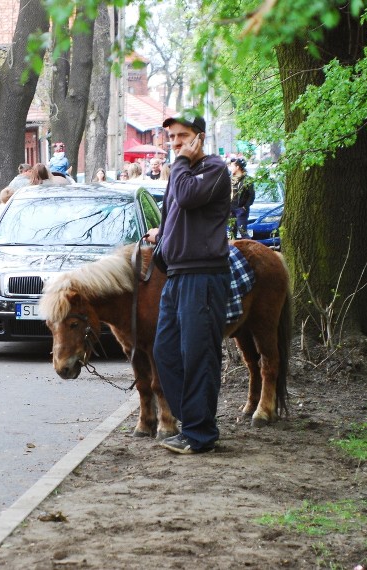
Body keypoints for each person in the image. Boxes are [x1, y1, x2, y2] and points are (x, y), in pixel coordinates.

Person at [145, 112, 231, 455]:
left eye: (182, 136)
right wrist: (162, 235)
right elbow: (175, 212)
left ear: (200, 138)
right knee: (165, 351)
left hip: (204, 275)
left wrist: (178, 163)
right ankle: (190, 422)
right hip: (177, 274)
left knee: (198, 355)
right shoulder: (182, 172)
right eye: (172, 138)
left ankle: (201, 433)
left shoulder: (214, 169)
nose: (175, 143)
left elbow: (188, 197)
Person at [229, 157, 255, 238]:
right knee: (231, 233)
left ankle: (250, 249)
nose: (230, 168)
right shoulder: (229, 179)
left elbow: (251, 195)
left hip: (241, 209)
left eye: (232, 166)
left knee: (242, 231)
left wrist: (245, 207)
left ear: (237, 167)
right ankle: (233, 250)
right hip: (230, 209)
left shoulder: (247, 180)